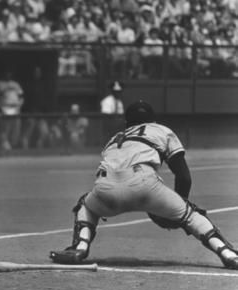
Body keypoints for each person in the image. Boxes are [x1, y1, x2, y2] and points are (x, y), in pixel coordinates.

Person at [49, 101, 238, 270]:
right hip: (144, 185)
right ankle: (228, 253)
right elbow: (183, 177)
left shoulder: (114, 138)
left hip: (105, 189)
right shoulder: (161, 130)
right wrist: (178, 210)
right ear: (152, 121)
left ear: (126, 123)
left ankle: (79, 248)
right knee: (191, 214)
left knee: (85, 204)